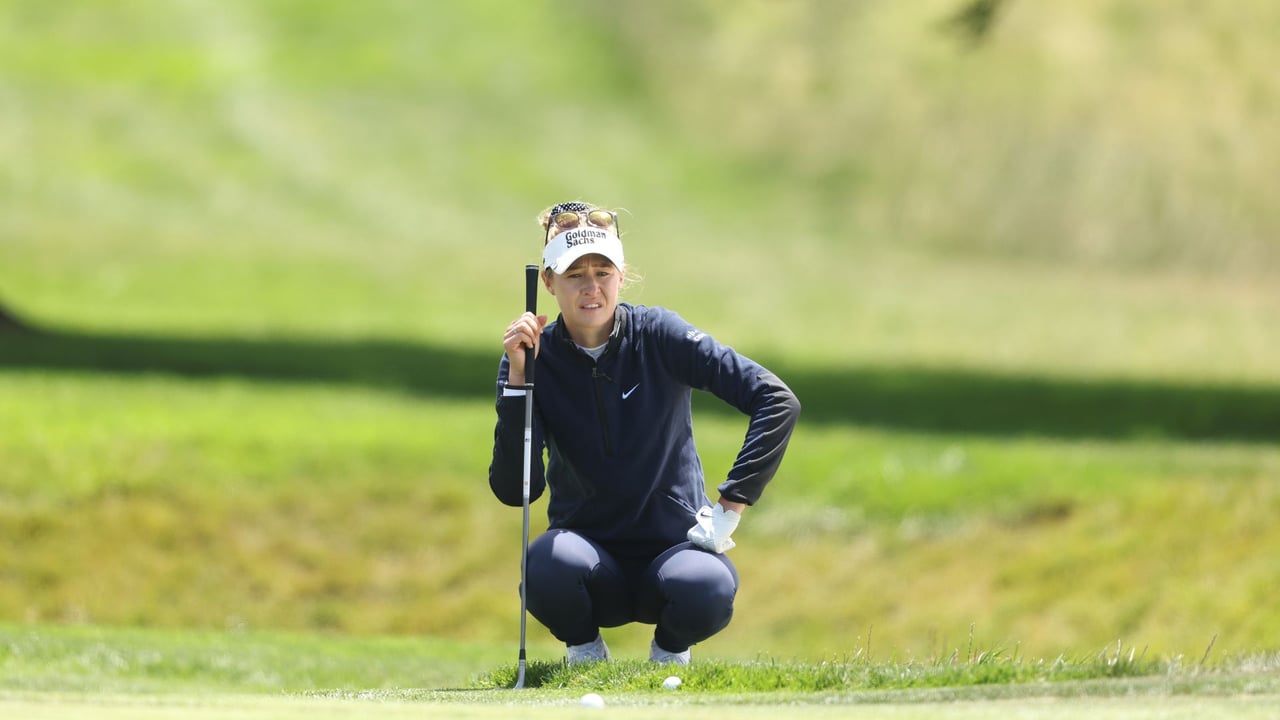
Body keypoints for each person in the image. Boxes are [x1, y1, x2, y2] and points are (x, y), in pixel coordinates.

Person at [489, 201, 800, 665]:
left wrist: (730, 506)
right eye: (575, 275)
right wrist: (519, 382)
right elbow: (516, 490)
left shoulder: (659, 334)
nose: (591, 288)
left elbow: (775, 399)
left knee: (707, 587)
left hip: (678, 549)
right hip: (586, 556)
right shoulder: (531, 359)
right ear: (549, 282)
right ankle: (586, 655)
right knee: (546, 570)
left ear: (621, 275)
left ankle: (669, 655)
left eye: (603, 272)